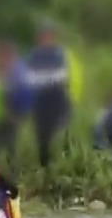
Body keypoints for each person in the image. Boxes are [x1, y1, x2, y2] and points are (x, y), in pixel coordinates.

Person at [21, 22, 73, 166]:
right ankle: (45, 166)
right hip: (40, 102)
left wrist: (45, 79)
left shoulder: (59, 54)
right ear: (39, 38)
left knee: (62, 132)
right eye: (44, 36)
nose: (47, 39)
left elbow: (63, 76)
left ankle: (65, 163)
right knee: (42, 137)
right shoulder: (33, 56)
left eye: (50, 36)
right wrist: (48, 79)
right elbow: (30, 78)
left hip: (57, 99)